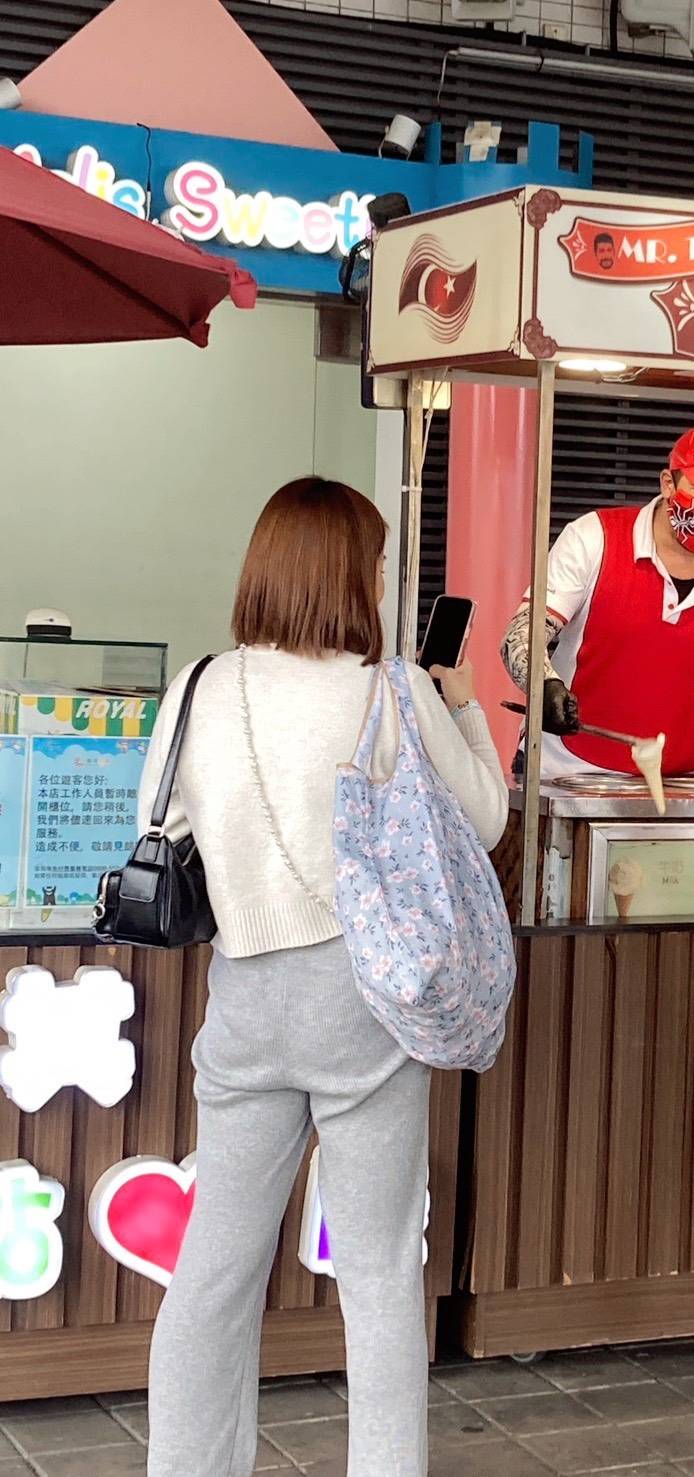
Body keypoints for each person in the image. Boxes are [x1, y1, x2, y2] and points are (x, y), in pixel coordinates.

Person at [141, 477, 507, 1477]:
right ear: (349, 571)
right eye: (377, 562)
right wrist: (463, 707)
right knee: (379, 1273)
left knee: (214, 1271)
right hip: (364, 1004)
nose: (382, 580)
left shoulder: (199, 686)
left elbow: (162, 825)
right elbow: (484, 818)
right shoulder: (391, 689)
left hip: (245, 1003)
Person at [500, 419, 694, 781]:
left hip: (678, 779)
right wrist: (544, 684)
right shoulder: (595, 537)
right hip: (564, 770)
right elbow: (522, 633)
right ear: (668, 483)